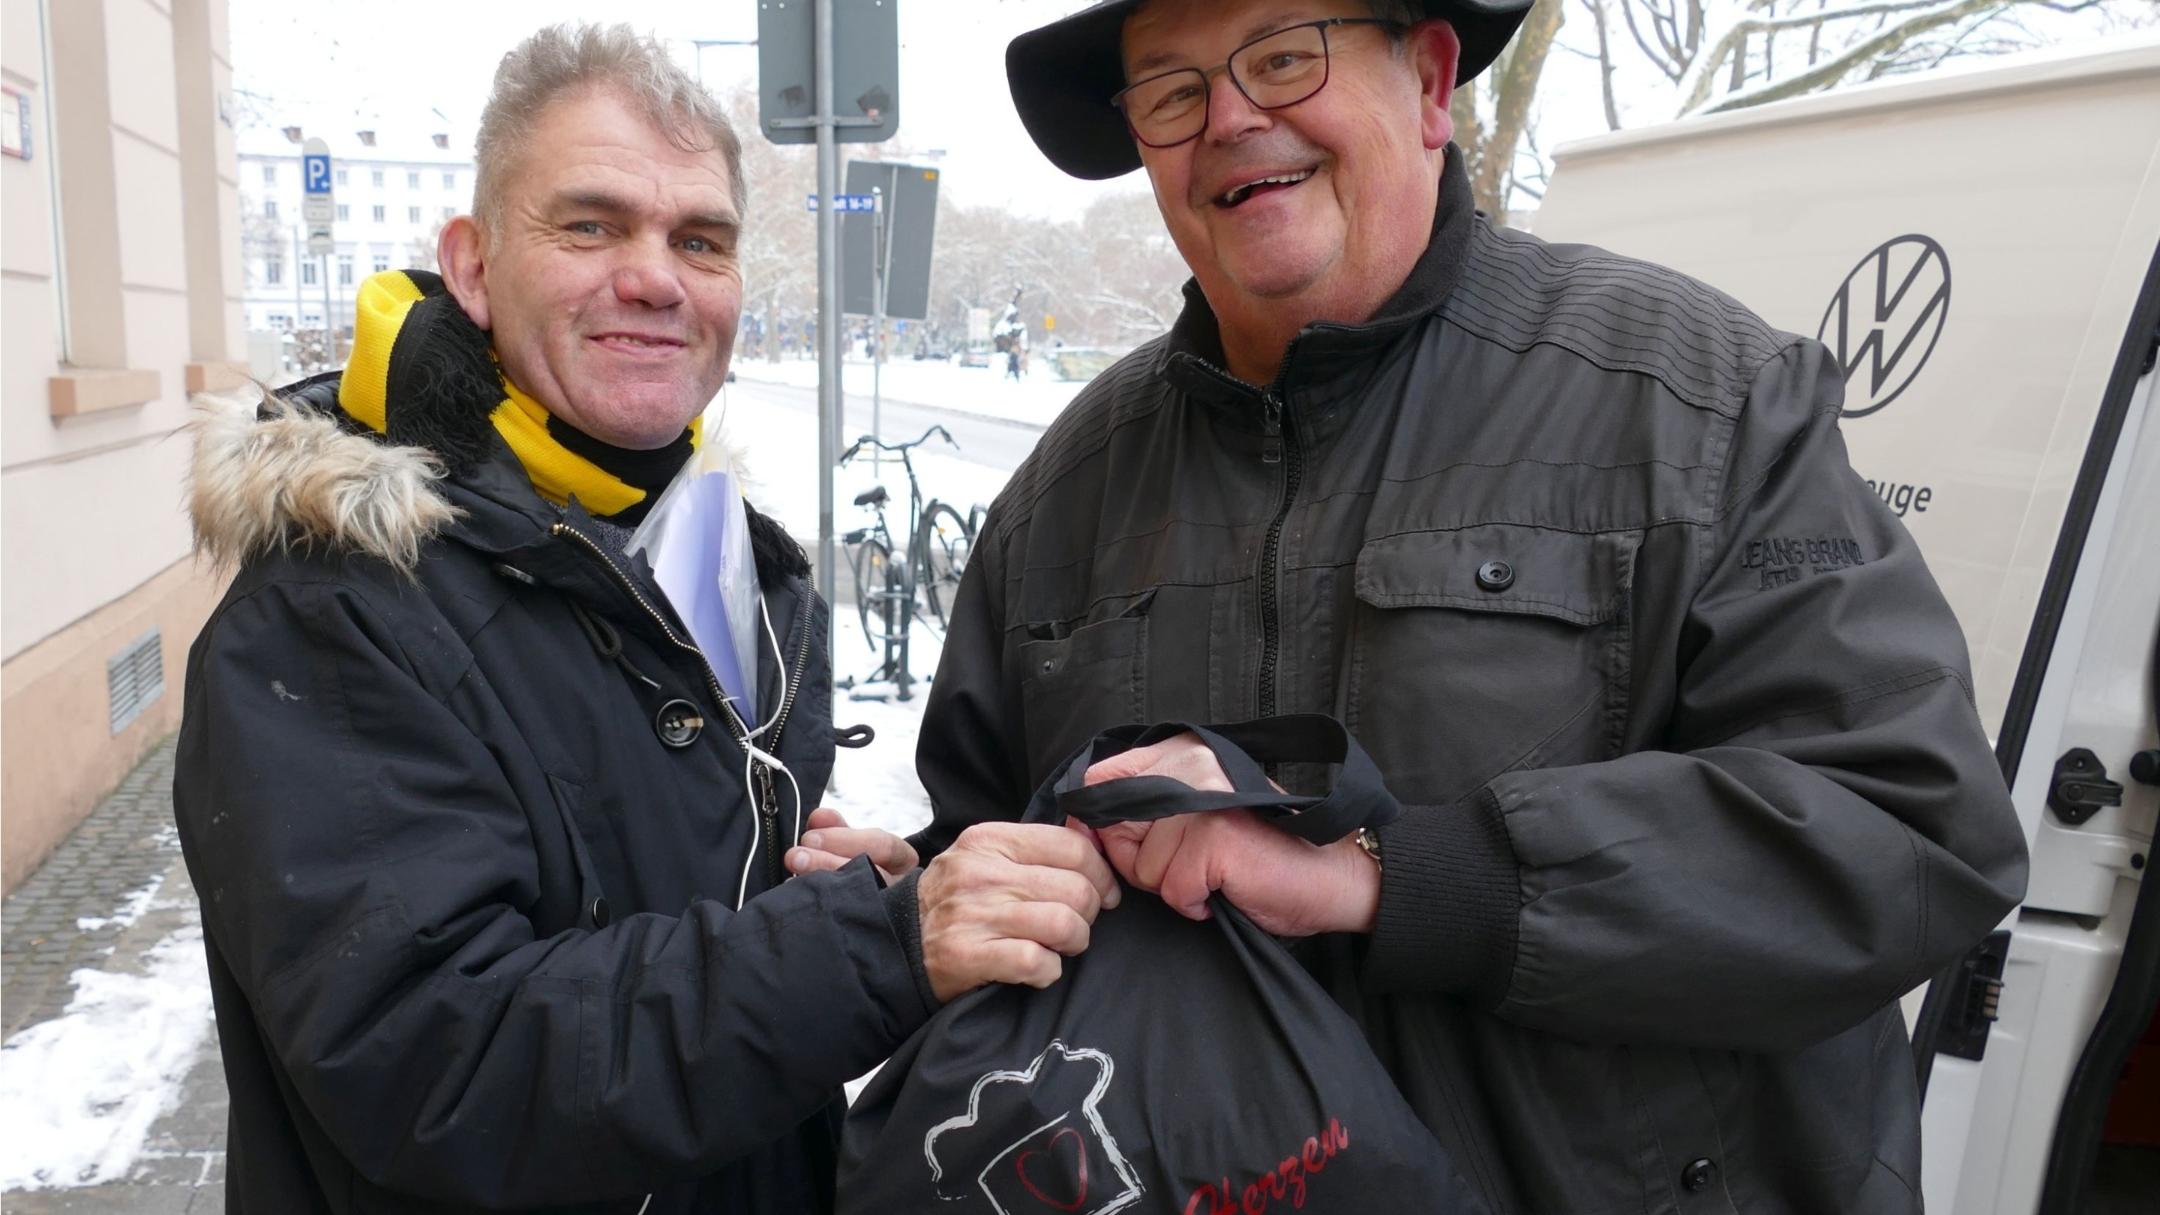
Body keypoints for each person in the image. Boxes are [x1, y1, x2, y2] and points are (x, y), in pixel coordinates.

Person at [875, 1, 2030, 1211]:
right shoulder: (1063, 493)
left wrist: (1390, 874)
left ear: (1431, 85)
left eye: (1282, 56)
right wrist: (922, 892)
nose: (1228, 118)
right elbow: (992, 839)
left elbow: (1907, 832)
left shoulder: (1700, 401)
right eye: (1171, 90)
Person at [174, 24, 1114, 1214]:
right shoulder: (331, 613)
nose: (657, 277)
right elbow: (441, 1066)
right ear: (470, 265)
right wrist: (874, 950)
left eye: (700, 240)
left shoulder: (705, 559)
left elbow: (665, 906)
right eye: (590, 224)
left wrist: (816, 889)